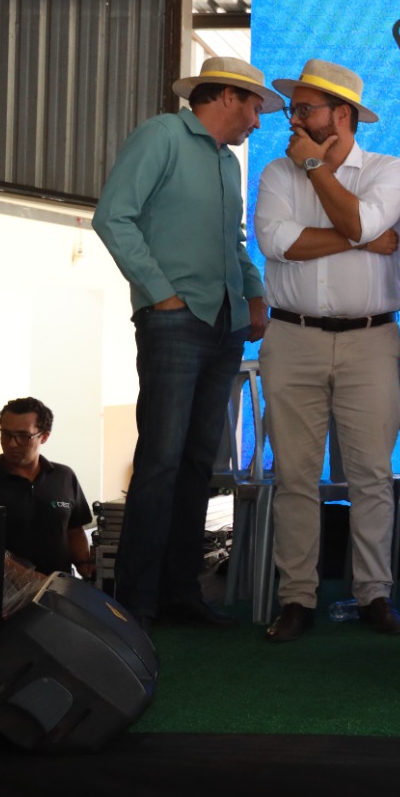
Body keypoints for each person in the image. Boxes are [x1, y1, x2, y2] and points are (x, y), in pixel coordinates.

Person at [92, 55, 279, 632]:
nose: (257, 120)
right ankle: (135, 603)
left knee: (198, 464)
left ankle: (179, 594)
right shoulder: (161, 136)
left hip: (224, 325)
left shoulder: (227, 162)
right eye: (254, 107)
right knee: (161, 461)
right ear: (226, 97)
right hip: (175, 321)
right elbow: (112, 217)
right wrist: (162, 295)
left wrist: (253, 293)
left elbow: (234, 241)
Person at [253, 59, 400, 642]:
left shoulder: (389, 169)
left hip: (371, 339)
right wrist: (360, 240)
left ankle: (374, 594)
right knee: (294, 475)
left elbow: (366, 221)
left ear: (341, 115)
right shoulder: (276, 172)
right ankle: (297, 597)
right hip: (291, 336)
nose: (292, 120)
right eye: (294, 109)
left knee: (371, 475)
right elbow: (277, 242)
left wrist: (317, 170)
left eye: (305, 109)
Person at [0, 398, 95, 581]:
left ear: (44, 436)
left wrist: (85, 565)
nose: (11, 443)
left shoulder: (64, 477)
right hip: (2, 594)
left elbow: (74, 531)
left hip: (60, 590)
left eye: (23, 436)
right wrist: (32, 580)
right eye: (6, 434)